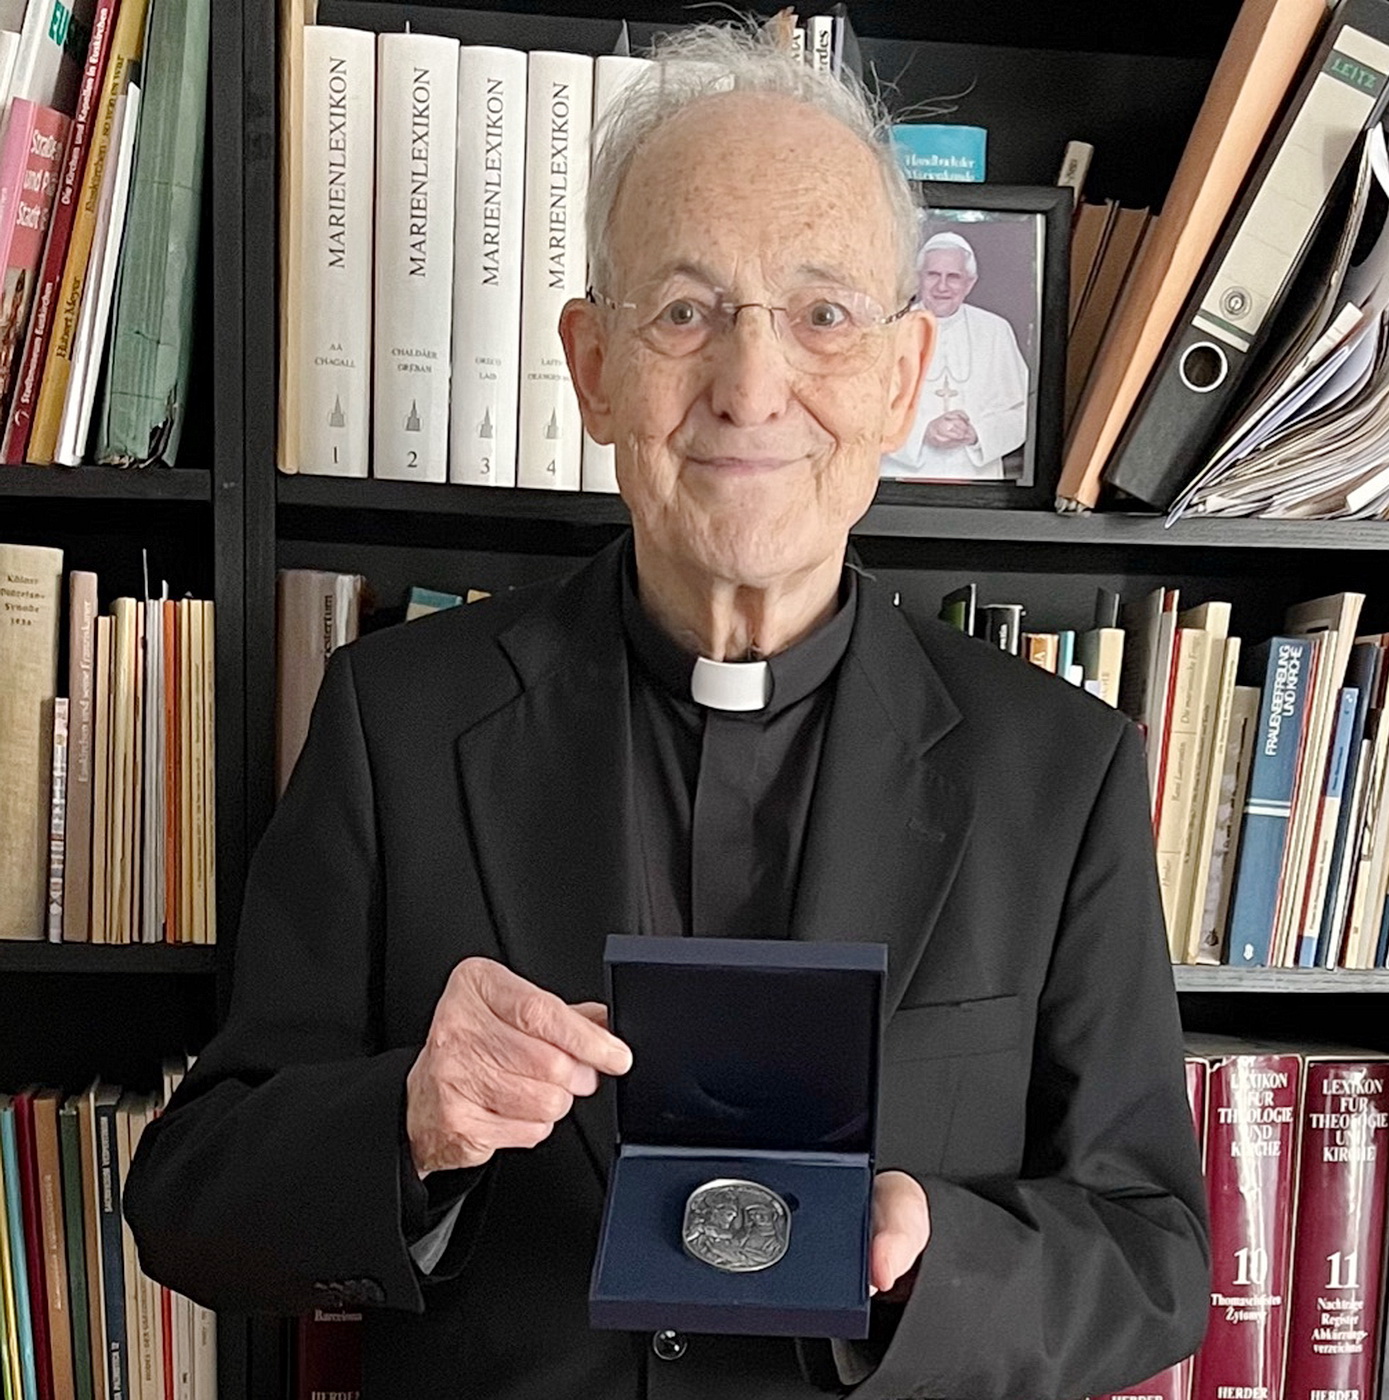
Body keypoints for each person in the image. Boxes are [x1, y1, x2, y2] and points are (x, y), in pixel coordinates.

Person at [125, 21, 1208, 1400]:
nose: (751, 388)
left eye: (823, 314)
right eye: (685, 312)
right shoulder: (395, 720)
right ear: (592, 367)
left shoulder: (1062, 770)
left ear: (902, 376)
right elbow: (193, 1197)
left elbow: (1157, 1257)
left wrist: (939, 1254)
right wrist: (405, 1122)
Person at [881, 231, 1031, 481]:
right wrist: (922, 433)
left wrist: (976, 434)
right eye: (933, 275)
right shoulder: (891, 331)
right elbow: (867, 410)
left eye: (953, 277)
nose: (942, 286)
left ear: (969, 283)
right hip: (899, 476)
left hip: (976, 478)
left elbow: (1022, 412)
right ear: (918, 278)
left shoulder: (995, 330)